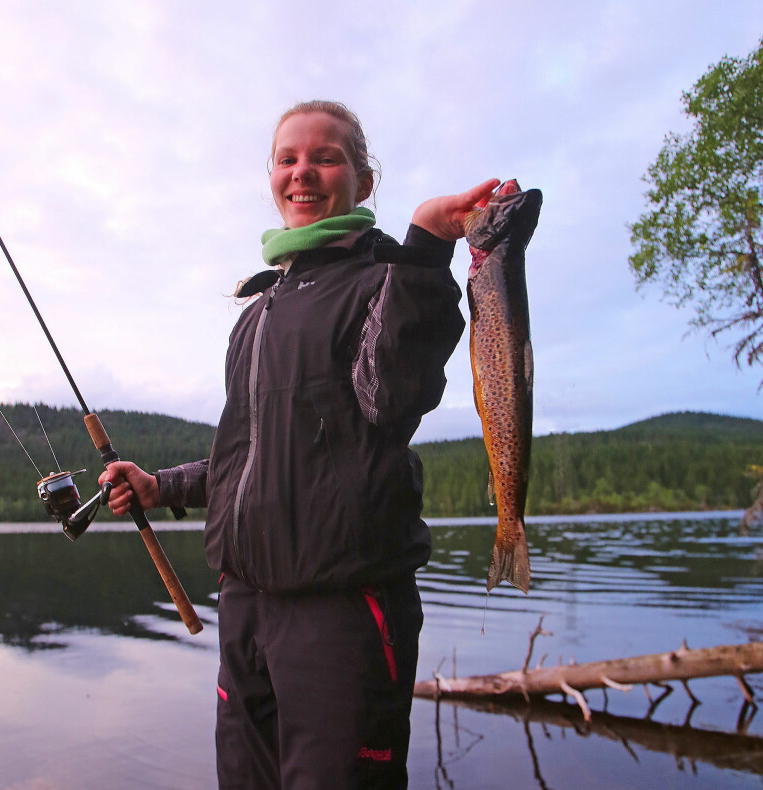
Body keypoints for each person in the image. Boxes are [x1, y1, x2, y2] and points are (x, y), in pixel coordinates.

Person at [99, 100, 498, 790]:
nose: (303, 173)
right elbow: (246, 454)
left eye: (326, 156)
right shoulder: (258, 311)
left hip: (343, 615)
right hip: (247, 610)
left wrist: (428, 250)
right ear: (272, 176)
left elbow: (387, 398)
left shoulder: (386, 282)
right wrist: (163, 486)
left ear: (364, 181)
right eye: (288, 159)